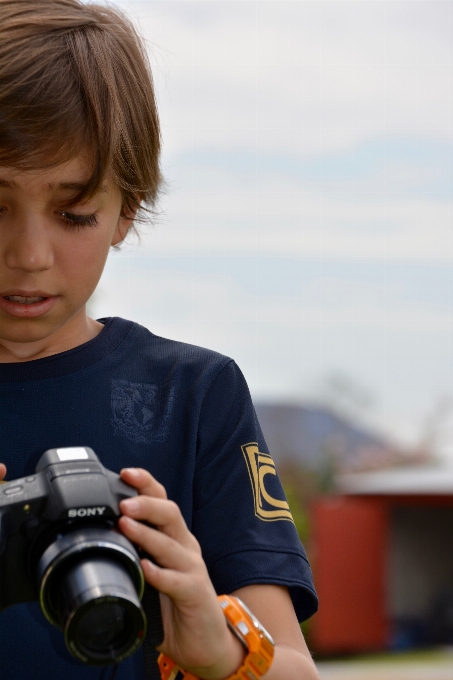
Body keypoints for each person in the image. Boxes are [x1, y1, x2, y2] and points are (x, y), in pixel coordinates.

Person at [0, 1, 319, 679]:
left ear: (127, 210)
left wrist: (217, 647)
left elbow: (295, 667)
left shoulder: (195, 396)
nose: (28, 254)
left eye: (73, 213)